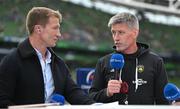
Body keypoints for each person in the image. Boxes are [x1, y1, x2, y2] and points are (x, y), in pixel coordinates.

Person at [0, 7, 95, 108]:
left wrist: (95, 106)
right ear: (38, 29)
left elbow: (74, 93)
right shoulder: (12, 61)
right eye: (55, 28)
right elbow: (2, 101)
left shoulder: (59, 64)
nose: (59, 34)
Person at [89, 12, 169, 105]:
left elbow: (163, 102)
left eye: (121, 32)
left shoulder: (155, 62)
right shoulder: (103, 62)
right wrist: (107, 92)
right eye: (113, 32)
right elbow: (91, 98)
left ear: (135, 33)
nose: (116, 38)